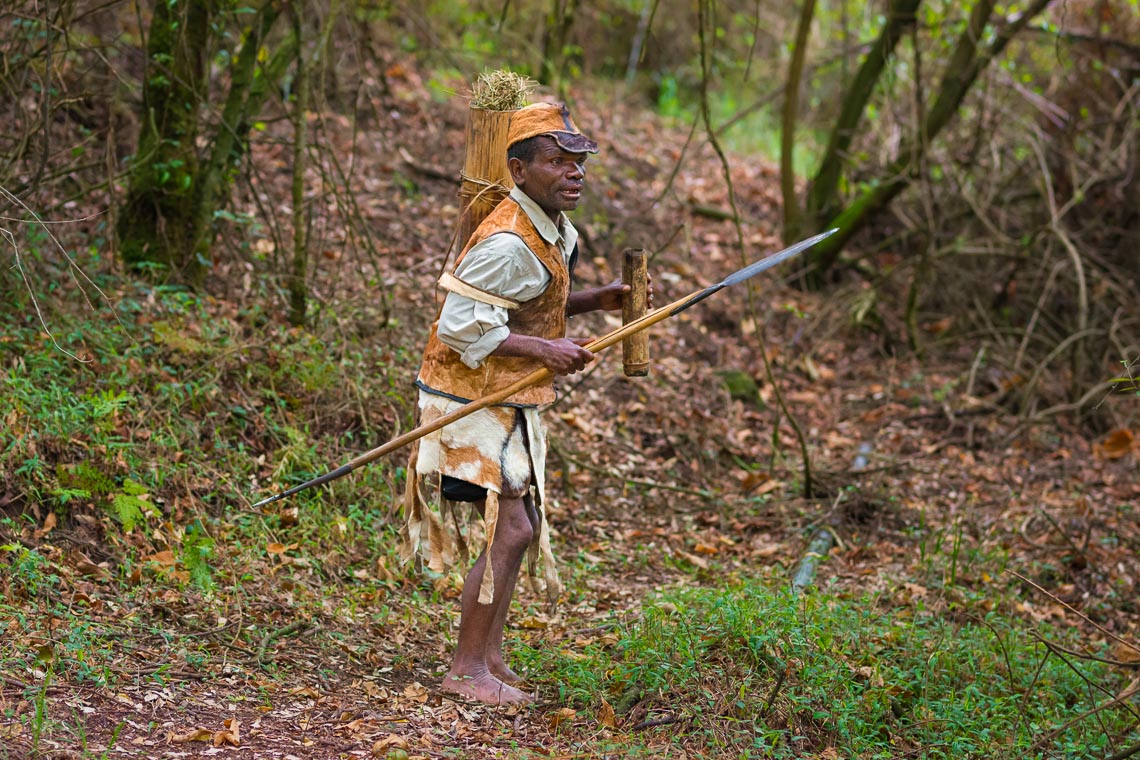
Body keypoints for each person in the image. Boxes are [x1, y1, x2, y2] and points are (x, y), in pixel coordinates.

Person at [403, 102, 646, 706]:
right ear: (518, 168)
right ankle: (464, 670)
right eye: (556, 161)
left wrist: (596, 301)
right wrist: (545, 348)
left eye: (578, 161)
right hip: (469, 397)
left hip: (507, 394)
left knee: (517, 528)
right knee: (510, 528)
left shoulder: (553, 228)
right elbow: (461, 324)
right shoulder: (508, 239)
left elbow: (526, 302)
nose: (574, 173)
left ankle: (487, 657)